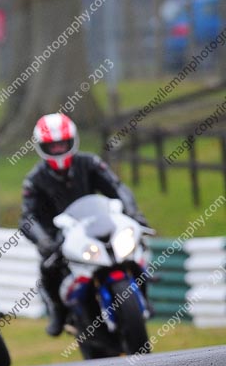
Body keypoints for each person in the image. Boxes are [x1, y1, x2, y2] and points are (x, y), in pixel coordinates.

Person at [19, 113, 150, 336]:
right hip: (59, 237)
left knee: (137, 245)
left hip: (97, 224)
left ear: (73, 141)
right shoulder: (34, 180)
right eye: (53, 146)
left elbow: (117, 188)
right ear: (42, 147)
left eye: (63, 144)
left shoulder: (90, 163)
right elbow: (28, 218)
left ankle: (144, 296)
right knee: (47, 268)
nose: (59, 150)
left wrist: (133, 213)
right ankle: (58, 312)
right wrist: (44, 241)